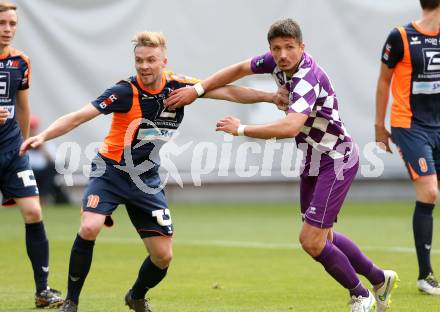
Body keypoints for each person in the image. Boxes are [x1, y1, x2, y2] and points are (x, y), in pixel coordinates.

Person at [20, 31, 280, 312]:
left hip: (146, 178)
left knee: (162, 256)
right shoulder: (123, 92)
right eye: (139, 60)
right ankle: (71, 301)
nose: (144, 66)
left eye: (151, 60)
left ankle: (136, 295)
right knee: (89, 226)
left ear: (163, 61)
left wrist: (270, 97)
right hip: (109, 171)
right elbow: (80, 116)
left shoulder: (181, 87)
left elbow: (228, 91)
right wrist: (43, 136)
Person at [165, 18, 398, 312]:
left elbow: (290, 127)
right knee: (322, 237)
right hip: (313, 159)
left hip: (336, 159)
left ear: (302, 47)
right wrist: (197, 90)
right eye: (277, 48)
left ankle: (360, 295)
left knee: (311, 241)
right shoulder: (277, 63)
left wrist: (240, 130)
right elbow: (237, 70)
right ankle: (380, 279)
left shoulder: (306, 77)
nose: (283, 54)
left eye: (290, 47)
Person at [0, 2, 63, 309]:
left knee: (34, 213)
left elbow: (23, 107)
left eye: (12, 23)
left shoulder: (20, 62)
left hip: (12, 151)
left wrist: (23, 144)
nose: (8, 29)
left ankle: (42, 291)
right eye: (3, 23)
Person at [375, 0, 440, 296]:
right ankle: (426, 275)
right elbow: (384, 81)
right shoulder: (400, 37)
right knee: (429, 191)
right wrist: (379, 125)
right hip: (409, 126)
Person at [28, 115, 70, 204]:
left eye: (33, 128)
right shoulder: (20, 142)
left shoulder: (45, 141)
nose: (31, 131)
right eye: (30, 128)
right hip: (29, 172)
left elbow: (57, 162)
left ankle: (43, 199)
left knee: (51, 171)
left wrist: (42, 149)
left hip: (44, 173)